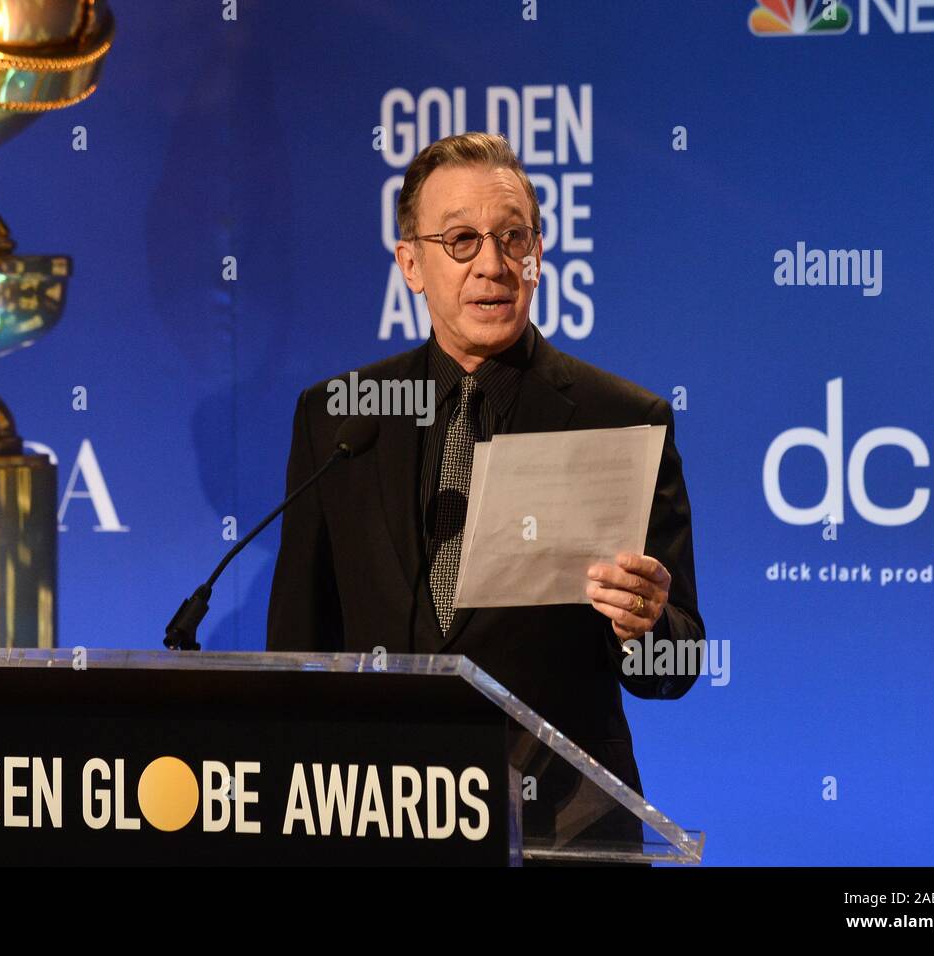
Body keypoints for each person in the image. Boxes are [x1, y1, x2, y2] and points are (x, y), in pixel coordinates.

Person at [266, 132, 704, 850]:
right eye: (462, 240)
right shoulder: (341, 415)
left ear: (538, 251)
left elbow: (676, 667)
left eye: (513, 237)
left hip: (563, 833)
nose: (493, 265)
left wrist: (647, 627)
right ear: (412, 264)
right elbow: (296, 650)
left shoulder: (622, 417)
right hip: (382, 823)